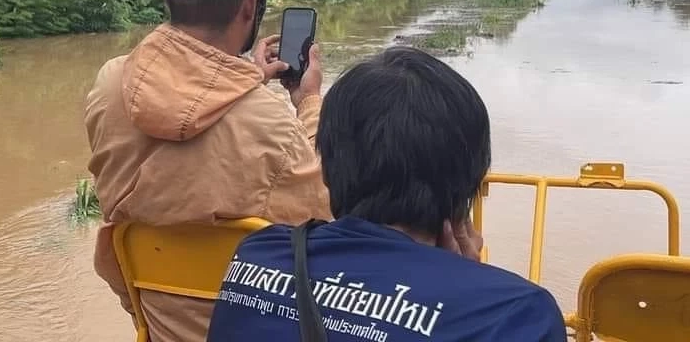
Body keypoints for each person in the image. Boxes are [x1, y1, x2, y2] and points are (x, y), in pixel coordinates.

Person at [83, 0, 332, 342]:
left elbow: (186, 109)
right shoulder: (268, 121)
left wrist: (246, 79)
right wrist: (308, 101)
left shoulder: (108, 86)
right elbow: (327, 220)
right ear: (250, 6)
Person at [207, 46, 568, 341]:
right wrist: (469, 288)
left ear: (327, 170)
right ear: (468, 184)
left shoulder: (258, 255)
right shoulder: (517, 315)